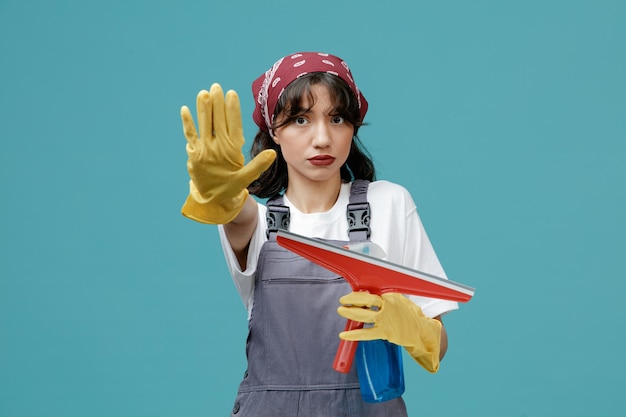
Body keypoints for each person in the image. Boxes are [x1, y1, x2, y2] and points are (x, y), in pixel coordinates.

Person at [179, 52, 459, 417]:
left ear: (353, 127)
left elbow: (438, 346)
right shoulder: (256, 222)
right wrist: (215, 192)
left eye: (337, 118)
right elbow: (233, 211)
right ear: (273, 131)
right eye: (300, 119)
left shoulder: (389, 203)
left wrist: (409, 325)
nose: (322, 138)